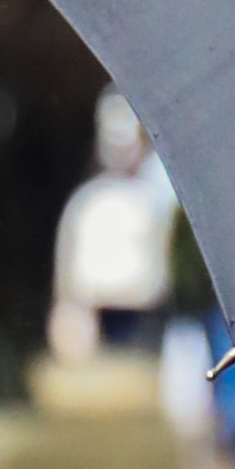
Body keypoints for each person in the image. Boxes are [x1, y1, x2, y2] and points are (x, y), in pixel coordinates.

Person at [50, 88, 175, 358]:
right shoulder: (88, 202)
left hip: (146, 319)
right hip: (96, 320)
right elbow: (68, 278)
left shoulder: (155, 198)